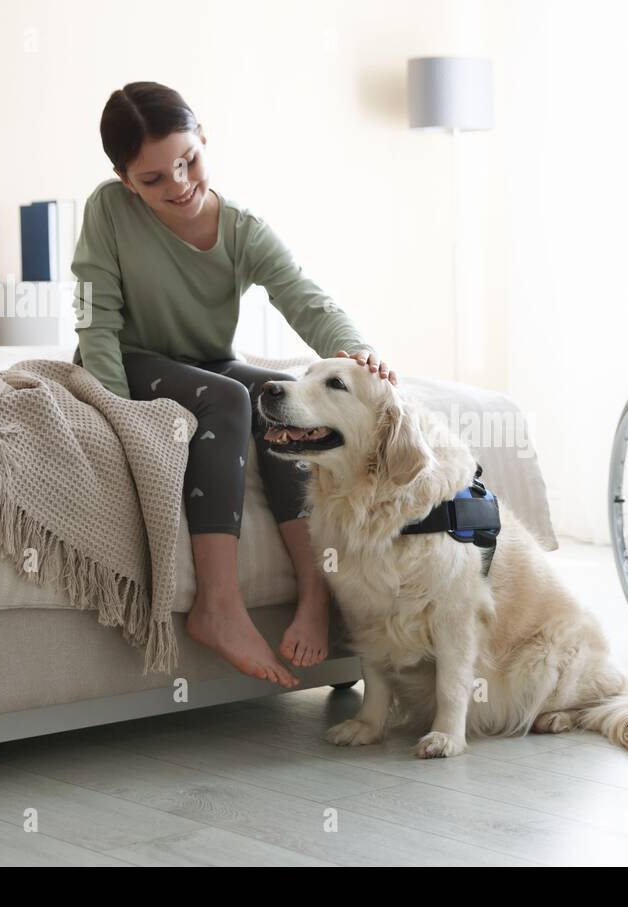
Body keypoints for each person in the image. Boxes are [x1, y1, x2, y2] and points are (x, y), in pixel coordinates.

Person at [71, 81, 397, 687]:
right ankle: (218, 607)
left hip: (203, 368)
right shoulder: (106, 212)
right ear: (124, 179)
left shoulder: (242, 230)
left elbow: (305, 298)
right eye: (153, 179)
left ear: (203, 140)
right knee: (230, 397)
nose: (179, 185)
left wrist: (362, 357)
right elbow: (97, 322)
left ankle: (315, 593)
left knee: (280, 396)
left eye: (187, 161)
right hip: (129, 363)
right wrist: (117, 413)